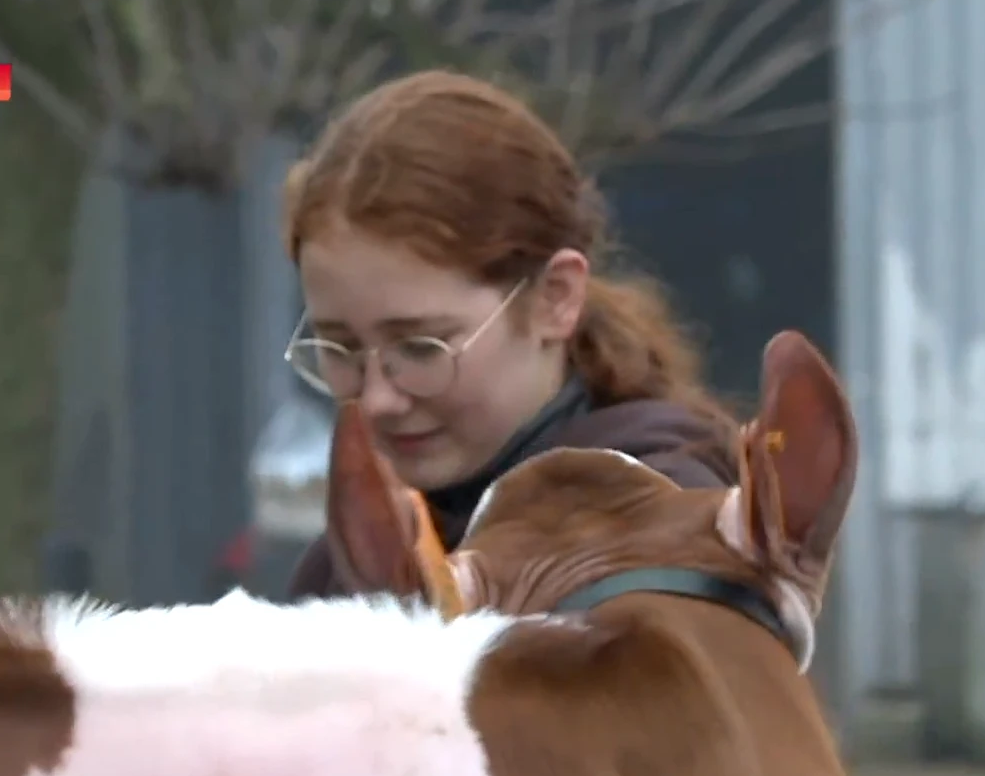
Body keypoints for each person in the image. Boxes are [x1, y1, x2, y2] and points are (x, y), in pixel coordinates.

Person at [278, 69, 741, 602]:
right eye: (342, 350)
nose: (377, 400)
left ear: (555, 298)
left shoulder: (664, 541)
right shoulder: (342, 569)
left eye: (421, 348)